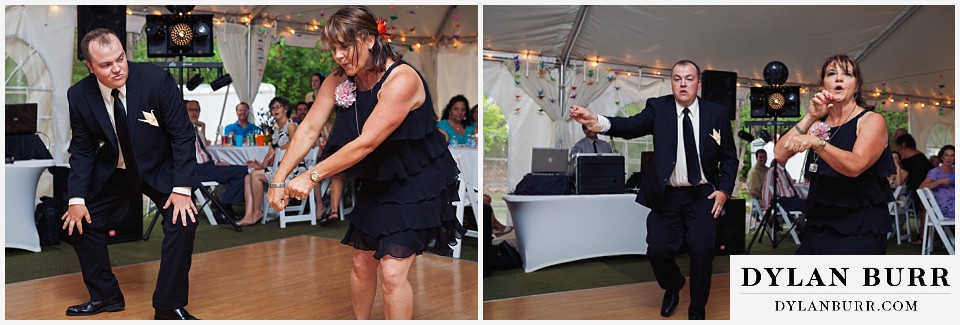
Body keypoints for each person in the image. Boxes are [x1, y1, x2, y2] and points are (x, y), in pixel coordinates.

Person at [266, 6, 465, 320]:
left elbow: (367, 141)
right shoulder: (339, 80)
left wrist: (312, 176)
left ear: (370, 39)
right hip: (378, 179)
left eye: (345, 46)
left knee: (392, 271)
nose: (339, 56)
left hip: (417, 181)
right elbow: (307, 129)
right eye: (333, 49)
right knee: (361, 262)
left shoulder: (402, 79)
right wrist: (279, 177)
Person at [570, 59, 737, 320]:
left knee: (702, 251)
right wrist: (597, 121)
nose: (683, 83)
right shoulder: (658, 108)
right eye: (677, 78)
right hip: (667, 195)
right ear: (671, 82)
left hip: (703, 195)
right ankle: (673, 285)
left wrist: (725, 190)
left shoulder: (716, 113)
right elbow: (629, 127)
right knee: (658, 251)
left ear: (699, 83)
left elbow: (729, 157)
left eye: (689, 78)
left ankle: (697, 311)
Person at [62, 28, 199, 320]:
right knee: (80, 221)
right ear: (89, 66)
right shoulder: (79, 95)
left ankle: (167, 305)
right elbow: (84, 150)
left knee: (183, 220)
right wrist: (76, 199)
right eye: (105, 65)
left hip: (161, 167)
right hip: (117, 169)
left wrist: (182, 190)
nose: (116, 69)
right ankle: (105, 296)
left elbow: (182, 137)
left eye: (120, 59)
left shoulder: (156, 81)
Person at [776, 54, 894, 255]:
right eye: (832, 74)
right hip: (820, 221)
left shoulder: (871, 120)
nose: (839, 78)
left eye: (847, 74)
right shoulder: (817, 123)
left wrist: (817, 142)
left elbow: (856, 166)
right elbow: (780, 154)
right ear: (823, 85)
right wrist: (810, 116)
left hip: (860, 225)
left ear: (856, 86)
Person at [185, 100, 263, 223]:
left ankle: (225, 208)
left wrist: (216, 162)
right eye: (191, 110)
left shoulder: (197, 131)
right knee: (241, 172)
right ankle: (222, 209)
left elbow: (204, 152)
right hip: (195, 169)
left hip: (206, 165)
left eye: (197, 110)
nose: (195, 113)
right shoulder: (182, 132)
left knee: (241, 169)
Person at [239, 97, 303, 226]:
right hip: (278, 167)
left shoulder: (291, 125)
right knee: (248, 176)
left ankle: (257, 212)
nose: (275, 110)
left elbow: (296, 143)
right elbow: (271, 150)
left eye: (278, 106)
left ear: (286, 109)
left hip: (292, 169)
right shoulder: (277, 129)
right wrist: (262, 164)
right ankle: (249, 214)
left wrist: (278, 150)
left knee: (255, 176)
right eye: (273, 107)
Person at [895, 133, 934, 243]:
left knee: (923, 209)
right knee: (924, 208)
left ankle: (923, 236)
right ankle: (924, 234)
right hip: (926, 179)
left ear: (902, 144)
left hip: (920, 182)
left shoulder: (903, 152)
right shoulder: (918, 153)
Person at [919, 145, 954, 219]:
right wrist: (939, 181)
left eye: (952, 155)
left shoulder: (955, 171)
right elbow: (921, 188)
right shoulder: (935, 172)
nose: (949, 158)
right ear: (942, 157)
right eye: (946, 155)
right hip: (946, 207)